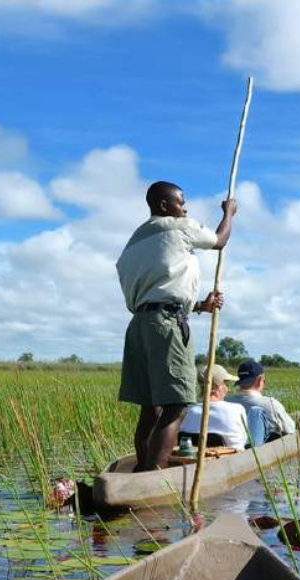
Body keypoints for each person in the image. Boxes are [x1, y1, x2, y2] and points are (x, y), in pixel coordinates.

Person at [117, 181, 238, 471]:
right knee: (175, 406)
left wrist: (198, 306)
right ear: (163, 206)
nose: (185, 208)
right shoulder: (179, 227)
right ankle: (152, 478)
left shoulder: (134, 242)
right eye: (181, 202)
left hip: (139, 326)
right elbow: (219, 240)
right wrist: (229, 213)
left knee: (151, 407)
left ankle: (142, 470)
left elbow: (156, 290)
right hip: (167, 326)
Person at [226, 359, 300, 441]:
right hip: (258, 449)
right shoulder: (271, 404)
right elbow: (291, 429)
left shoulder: (225, 401)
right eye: (264, 380)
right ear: (259, 380)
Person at [179, 364, 249, 450]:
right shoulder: (237, 409)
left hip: (195, 459)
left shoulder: (189, 411)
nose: (228, 389)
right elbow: (245, 441)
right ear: (219, 387)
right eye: (227, 384)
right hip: (231, 459)